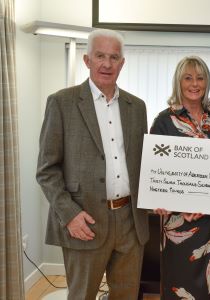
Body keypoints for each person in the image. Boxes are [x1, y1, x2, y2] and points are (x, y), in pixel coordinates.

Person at [36, 29, 149, 299]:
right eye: (100, 56)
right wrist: (70, 214)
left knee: (126, 295)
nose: (107, 64)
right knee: (82, 295)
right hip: (85, 220)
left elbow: (144, 163)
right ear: (87, 60)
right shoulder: (61, 102)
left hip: (130, 223)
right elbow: (46, 170)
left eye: (114, 57)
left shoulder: (137, 107)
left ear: (122, 63)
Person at [150, 56, 210, 300]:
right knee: (180, 287)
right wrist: (179, 205)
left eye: (200, 77)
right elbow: (156, 172)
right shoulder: (164, 121)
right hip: (180, 221)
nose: (194, 84)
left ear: (207, 82)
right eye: (188, 77)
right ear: (179, 82)